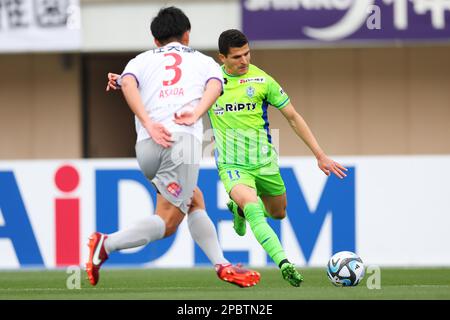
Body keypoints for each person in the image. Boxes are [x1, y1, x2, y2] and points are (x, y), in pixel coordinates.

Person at [87, 8, 260, 288]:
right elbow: (215, 87)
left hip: (146, 147)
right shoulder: (204, 62)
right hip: (180, 144)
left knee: (194, 198)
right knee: (167, 223)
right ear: (187, 35)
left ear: (156, 41)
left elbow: (128, 82)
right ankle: (106, 244)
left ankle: (222, 264)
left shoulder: (140, 60)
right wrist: (195, 113)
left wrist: (147, 120)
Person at [174, 29, 348, 287]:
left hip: (265, 163)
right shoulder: (210, 84)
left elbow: (292, 116)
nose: (244, 61)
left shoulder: (262, 80)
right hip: (233, 166)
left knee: (278, 214)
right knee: (255, 210)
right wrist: (126, 81)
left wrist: (319, 155)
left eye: (247, 54)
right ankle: (284, 262)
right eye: (236, 57)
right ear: (222, 58)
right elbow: (168, 88)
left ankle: (237, 209)